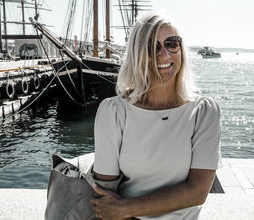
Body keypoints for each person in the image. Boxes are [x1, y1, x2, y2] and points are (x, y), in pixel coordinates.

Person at [91, 11, 222, 220]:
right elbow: (104, 195)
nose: (164, 54)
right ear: (136, 54)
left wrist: (126, 208)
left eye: (172, 43)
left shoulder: (204, 112)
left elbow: (198, 191)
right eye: (152, 47)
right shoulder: (114, 112)